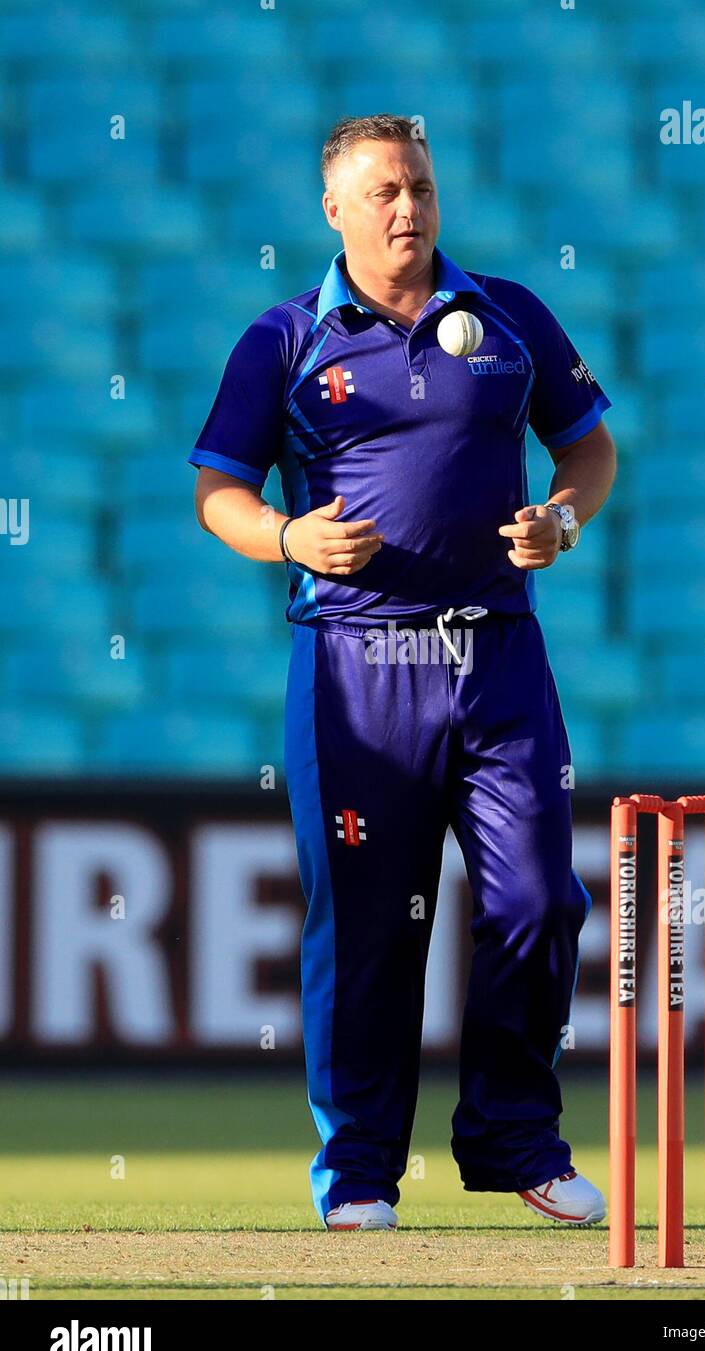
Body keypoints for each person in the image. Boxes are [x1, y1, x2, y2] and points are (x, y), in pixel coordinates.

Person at [190, 114, 617, 1232]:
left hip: (495, 654)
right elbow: (219, 493)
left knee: (538, 896)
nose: (406, 208)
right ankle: (362, 1173)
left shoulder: (509, 316)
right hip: (356, 667)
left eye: (419, 186)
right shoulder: (283, 339)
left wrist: (560, 520)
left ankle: (513, 1138)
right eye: (380, 191)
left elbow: (587, 449)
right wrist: (289, 537)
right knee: (371, 928)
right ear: (332, 209)